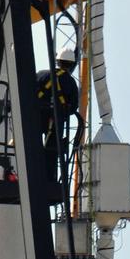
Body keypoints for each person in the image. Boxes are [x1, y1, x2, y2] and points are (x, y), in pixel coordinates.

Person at [36, 46, 81, 182]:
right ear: (72, 64)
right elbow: (73, 108)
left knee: (31, 146)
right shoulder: (70, 82)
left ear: (57, 61)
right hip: (55, 121)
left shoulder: (41, 74)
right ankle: (48, 179)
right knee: (51, 150)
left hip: (34, 117)